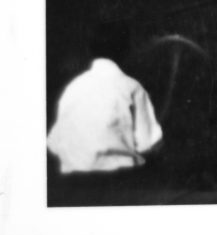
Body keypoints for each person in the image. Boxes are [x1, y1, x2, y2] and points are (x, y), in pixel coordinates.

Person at [47, 22, 163, 176]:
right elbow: (148, 143)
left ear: (91, 50)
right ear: (126, 50)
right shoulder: (132, 87)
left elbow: (55, 142)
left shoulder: (72, 88)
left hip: (71, 183)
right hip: (119, 180)